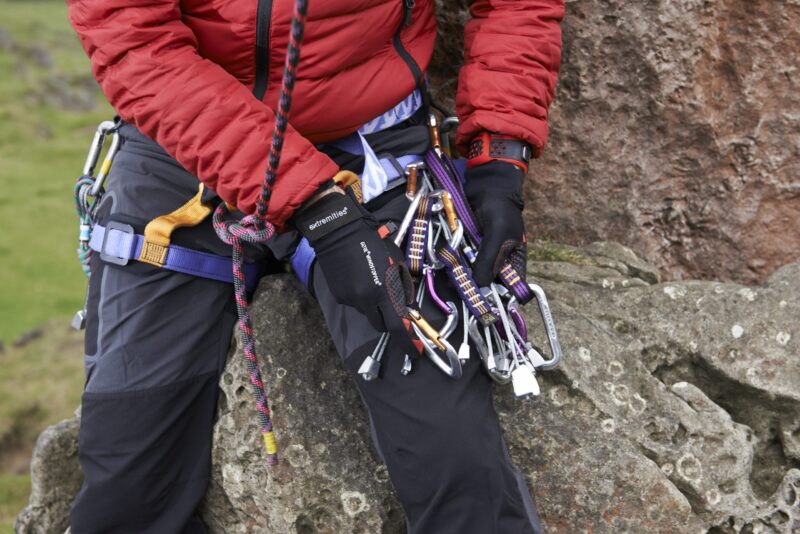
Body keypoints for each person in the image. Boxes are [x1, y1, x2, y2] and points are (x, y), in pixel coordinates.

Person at [65, 0, 564, 532]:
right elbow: (134, 41)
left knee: (454, 453)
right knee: (126, 486)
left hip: (370, 142)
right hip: (186, 144)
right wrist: (319, 210)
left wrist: (498, 157)